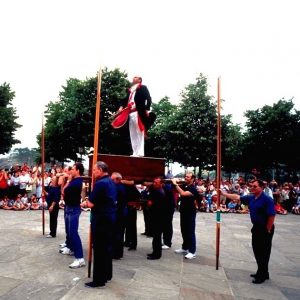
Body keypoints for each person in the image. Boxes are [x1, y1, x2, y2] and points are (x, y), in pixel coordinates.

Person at [220, 179, 276, 284]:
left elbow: (271, 215)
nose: (252, 188)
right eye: (251, 186)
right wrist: (224, 193)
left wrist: (268, 229)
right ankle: (263, 271)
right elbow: (237, 197)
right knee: (257, 250)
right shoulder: (252, 198)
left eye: (255, 186)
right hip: (256, 227)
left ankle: (262, 275)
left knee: (263, 252)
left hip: (265, 228)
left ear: (262, 187)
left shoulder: (267, 199)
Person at [85, 161, 117, 288]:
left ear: (100, 170)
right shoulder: (111, 182)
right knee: (107, 248)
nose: (92, 172)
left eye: (94, 170)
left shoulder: (100, 184)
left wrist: (86, 201)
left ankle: (98, 280)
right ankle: (107, 274)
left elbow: (91, 204)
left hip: (101, 219)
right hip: (110, 218)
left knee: (98, 249)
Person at [117, 76, 154, 157]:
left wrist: (147, 109)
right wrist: (121, 107)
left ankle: (140, 152)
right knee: (132, 133)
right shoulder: (130, 90)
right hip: (130, 113)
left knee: (139, 132)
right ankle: (135, 152)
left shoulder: (143, 88)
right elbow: (125, 100)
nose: (133, 78)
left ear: (140, 80)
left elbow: (148, 98)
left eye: (136, 77)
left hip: (138, 112)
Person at [61, 163, 85, 269]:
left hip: (73, 209)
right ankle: (70, 248)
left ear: (78, 171)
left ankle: (80, 258)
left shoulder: (77, 182)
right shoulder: (73, 181)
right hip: (68, 207)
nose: (71, 171)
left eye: (73, 169)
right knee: (69, 231)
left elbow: (64, 190)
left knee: (73, 233)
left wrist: (68, 180)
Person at [172, 172, 198, 259]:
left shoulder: (193, 188)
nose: (185, 178)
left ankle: (192, 251)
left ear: (192, 179)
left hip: (190, 212)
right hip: (183, 211)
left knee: (190, 231)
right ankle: (185, 247)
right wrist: (176, 182)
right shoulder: (185, 185)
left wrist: (175, 184)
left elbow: (183, 193)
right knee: (184, 230)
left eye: (188, 177)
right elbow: (176, 189)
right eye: (185, 176)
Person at [111, 172, 127, 259]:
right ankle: (117, 252)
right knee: (118, 234)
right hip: (121, 213)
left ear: (117, 179)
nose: (111, 180)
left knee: (117, 234)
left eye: (112, 179)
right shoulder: (121, 187)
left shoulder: (118, 188)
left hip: (119, 214)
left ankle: (116, 253)